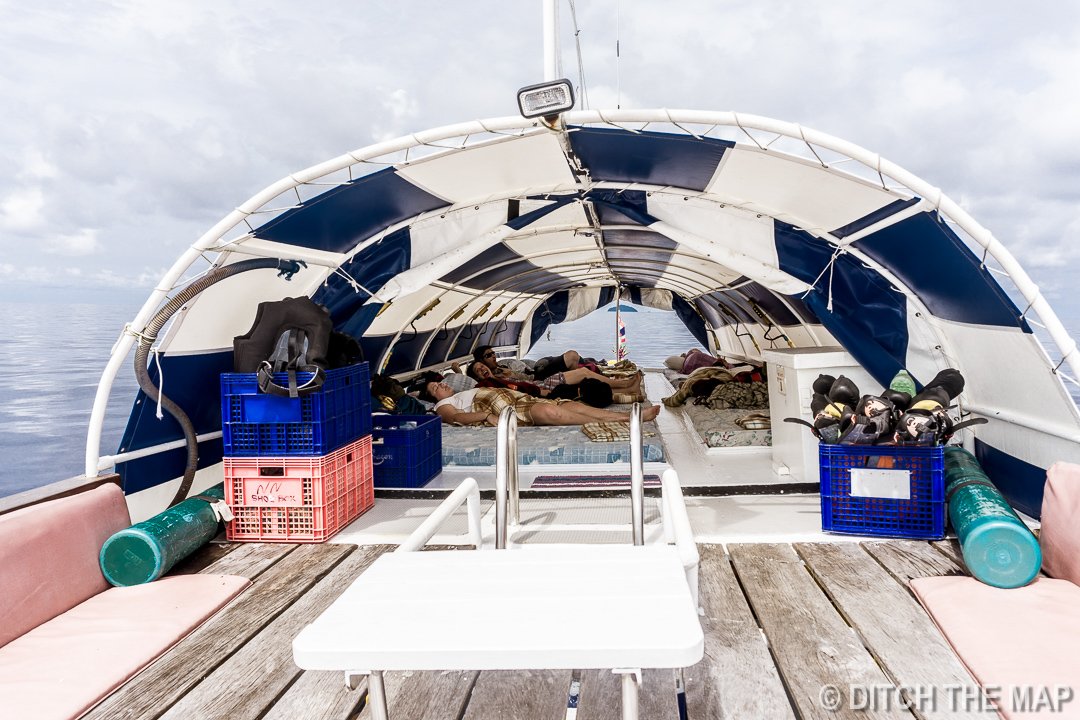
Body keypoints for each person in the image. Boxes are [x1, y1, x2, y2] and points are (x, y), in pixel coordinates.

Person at [419, 380, 661, 427]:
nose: (440, 386)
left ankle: (629, 415)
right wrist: (485, 416)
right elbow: (454, 418)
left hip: (518, 398)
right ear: (433, 399)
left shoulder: (467, 389)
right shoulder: (443, 405)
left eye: (439, 383)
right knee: (549, 412)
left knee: (570, 405)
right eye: (434, 389)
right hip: (499, 407)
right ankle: (629, 419)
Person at [467, 359, 644, 396]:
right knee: (584, 374)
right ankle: (625, 385)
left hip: (536, 383)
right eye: (478, 369)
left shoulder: (498, 376)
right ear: (477, 378)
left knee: (586, 378)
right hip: (538, 386)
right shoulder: (488, 384)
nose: (483, 367)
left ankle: (627, 388)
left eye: (482, 365)